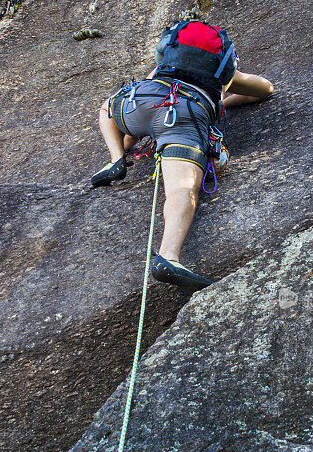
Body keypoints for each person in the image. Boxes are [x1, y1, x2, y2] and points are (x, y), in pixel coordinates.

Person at [91, 20, 273, 291]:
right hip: (185, 116)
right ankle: (168, 257)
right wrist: (216, 102)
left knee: (108, 106)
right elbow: (264, 89)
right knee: (182, 189)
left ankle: (116, 158)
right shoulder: (223, 75)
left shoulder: (161, 68)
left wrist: (129, 143)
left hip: (139, 101)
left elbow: (137, 129)